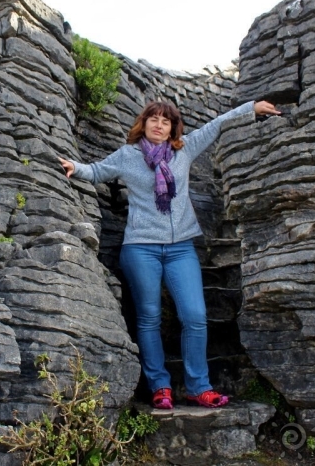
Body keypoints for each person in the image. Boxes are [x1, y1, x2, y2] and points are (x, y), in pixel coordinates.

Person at [59, 99, 279, 409]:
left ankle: (198, 387)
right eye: (154, 119)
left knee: (195, 316)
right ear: (144, 123)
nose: (159, 124)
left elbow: (216, 125)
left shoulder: (183, 150)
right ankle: (160, 387)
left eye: (166, 120)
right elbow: (96, 171)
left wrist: (250, 108)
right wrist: (73, 167)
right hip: (140, 248)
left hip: (181, 249)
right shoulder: (128, 156)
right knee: (149, 319)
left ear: (173, 127)